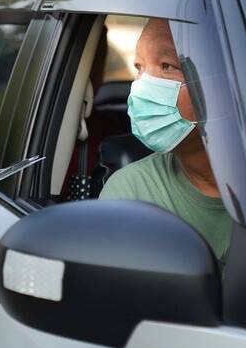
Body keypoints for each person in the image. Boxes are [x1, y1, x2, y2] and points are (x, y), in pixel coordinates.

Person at [99, 18, 233, 262]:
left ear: (224, 82)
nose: (141, 86)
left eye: (167, 66)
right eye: (139, 67)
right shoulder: (130, 194)